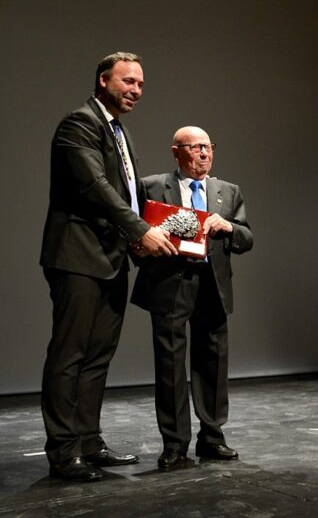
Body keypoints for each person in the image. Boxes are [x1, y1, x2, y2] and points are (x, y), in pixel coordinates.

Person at [39, 52, 177, 481]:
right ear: (103, 81)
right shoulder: (79, 124)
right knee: (70, 355)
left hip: (112, 257)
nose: (136, 90)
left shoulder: (118, 131)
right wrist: (140, 230)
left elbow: (127, 192)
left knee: (98, 355)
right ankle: (63, 452)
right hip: (78, 255)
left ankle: (87, 440)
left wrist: (142, 237)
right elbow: (94, 186)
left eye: (140, 84)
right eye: (128, 81)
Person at [131, 126, 254, 468]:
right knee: (170, 365)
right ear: (176, 152)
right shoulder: (153, 186)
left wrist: (229, 227)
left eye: (208, 146)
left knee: (213, 362)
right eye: (195, 147)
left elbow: (246, 237)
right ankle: (174, 444)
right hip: (170, 283)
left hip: (213, 285)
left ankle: (212, 437)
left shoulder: (228, 192)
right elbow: (135, 234)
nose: (203, 153)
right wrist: (142, 246)